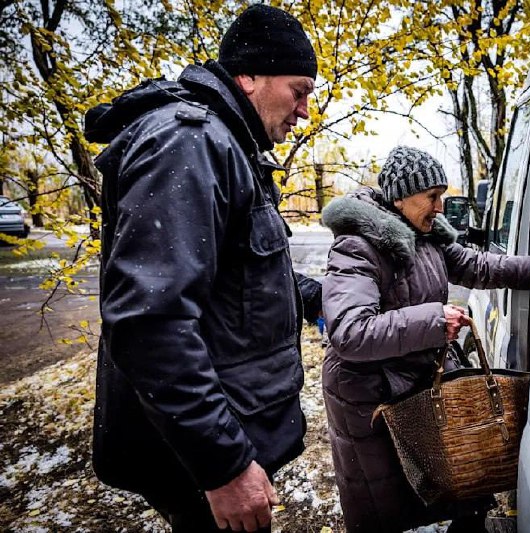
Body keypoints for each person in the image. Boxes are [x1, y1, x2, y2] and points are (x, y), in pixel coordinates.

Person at [83, 5, 321, 532]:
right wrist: (224, 466)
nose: (305, 110)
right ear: (249, 77)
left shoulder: (226, 145)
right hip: (200, 460)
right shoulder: (189, 142)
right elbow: (151, 322)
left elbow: (232, 279)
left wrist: (315, 297)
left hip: (226, 434)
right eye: (299, 89)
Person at [320, 146, 530, 532]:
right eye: (432, 197)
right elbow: (350, 332)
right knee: (390, 510)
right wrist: (433, 320)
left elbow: (478, 265)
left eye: (442, 195)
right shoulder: (357, 246)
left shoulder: (427, 236)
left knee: (458, 490)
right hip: (372, 400)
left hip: (414, 384)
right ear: (399, 197)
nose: (440, 207)